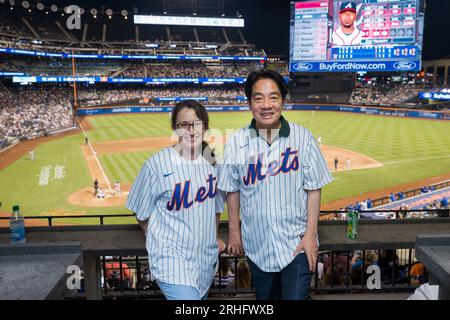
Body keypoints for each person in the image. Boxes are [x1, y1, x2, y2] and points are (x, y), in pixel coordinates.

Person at [218, 70, 333, 300]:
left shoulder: (303, 138)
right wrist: (234, 232)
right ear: (250, 103)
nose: (266, 104)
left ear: (283, 100)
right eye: (258, 98)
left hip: (296, 243)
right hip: (257, 245)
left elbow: (314, 188)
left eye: (273, 97)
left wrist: (310, 235)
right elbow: (232, 189)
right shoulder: (237, 143)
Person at [126, 100, 225, 300]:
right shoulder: (157, 164)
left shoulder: (213, 164)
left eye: (196, 124)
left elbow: (215, 210)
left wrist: (213, 238)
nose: (190, 130)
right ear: (174, 129)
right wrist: (158, 239)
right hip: (172, 262)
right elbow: (140, 211)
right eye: (183, 125)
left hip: (205, 261)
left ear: (204, 126)